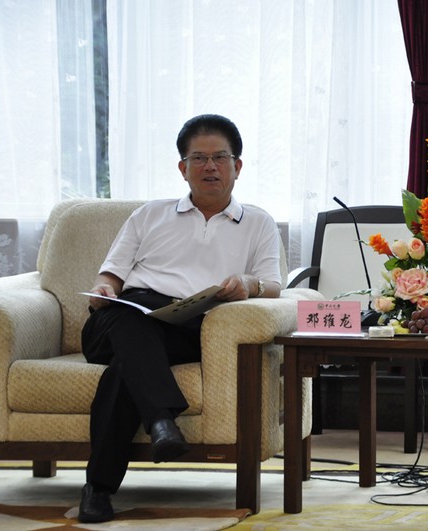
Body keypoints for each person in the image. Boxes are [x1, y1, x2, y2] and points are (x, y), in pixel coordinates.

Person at [77, 114, 283, 523]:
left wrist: (249, 284)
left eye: (220, 157)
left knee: (125, 371)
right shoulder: (149, 214)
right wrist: (104, 289)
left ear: (237, 166)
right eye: (198, 158)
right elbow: (111, 275)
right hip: (120, 319)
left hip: (190, 327)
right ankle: (161, 418)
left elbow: (274, 285)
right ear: (182, 167)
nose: (210, 167)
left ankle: (98, 488)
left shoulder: (257, 222)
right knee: (131, 320)